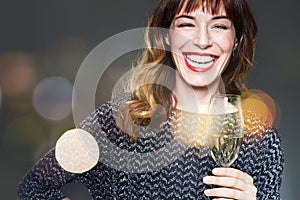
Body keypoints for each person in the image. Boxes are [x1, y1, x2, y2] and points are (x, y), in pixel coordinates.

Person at [18, 0, 284, 199]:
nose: (202, 41)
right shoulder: (121, 121)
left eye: (219, 25)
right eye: (187, 24)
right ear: (166, 36)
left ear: (236, 39)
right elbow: (35, 187)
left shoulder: (260, 142)